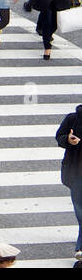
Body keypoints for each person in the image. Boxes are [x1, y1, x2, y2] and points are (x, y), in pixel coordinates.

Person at [56, 103, 82, 261]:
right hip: (77, 173)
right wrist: (68, 140)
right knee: (80, 210)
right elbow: (59, 137)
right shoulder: (73, 119)